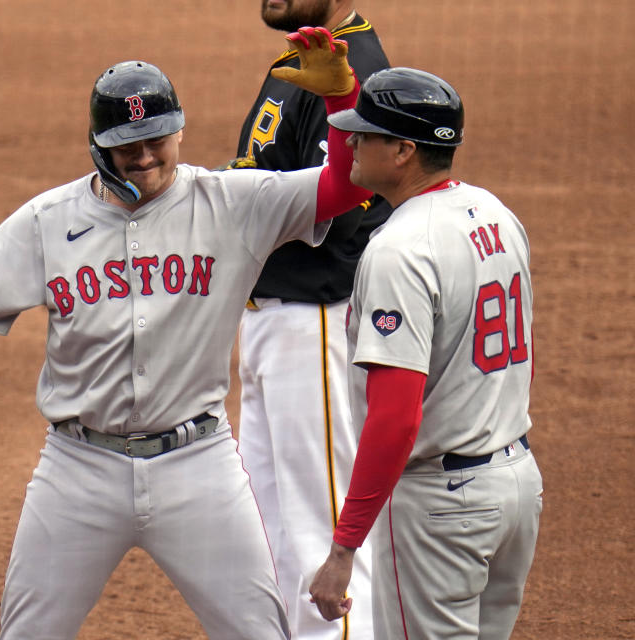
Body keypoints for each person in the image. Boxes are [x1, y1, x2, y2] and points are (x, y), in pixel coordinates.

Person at [0, 29, 372, 640]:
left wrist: (341, 102)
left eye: (153, 139)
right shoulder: (48, 220)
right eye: (124, 146)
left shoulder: (234, 202)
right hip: (77, 469)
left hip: (198, 467)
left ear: (178, 131)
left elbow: (347, 186)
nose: (142, 156)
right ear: (97, 147)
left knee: (259, 632)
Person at [307, 67, 543, 639]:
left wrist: (343, 550)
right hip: (515, 486)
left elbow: (395, 418)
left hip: (443, 509)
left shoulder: (399, 249)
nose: (351, 144)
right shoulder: (495, 214)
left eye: (365, 133)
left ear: (404, 151)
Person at [230, 1, 390, 638]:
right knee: (270, 538)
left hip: (315, 320)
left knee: (322, 539)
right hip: (275, 322)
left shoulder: (355, 68)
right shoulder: (311, 54)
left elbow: (344, 204)